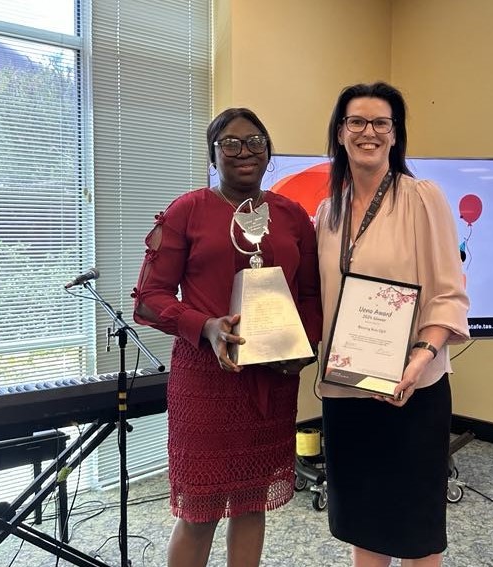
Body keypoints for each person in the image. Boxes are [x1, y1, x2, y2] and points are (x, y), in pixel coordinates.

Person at [132, 107, 322, 567]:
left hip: (271, 382)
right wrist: (206, 326)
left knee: (252, 502)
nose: (244, 152)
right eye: (231, 143)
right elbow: (148, 298)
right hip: (206, 380)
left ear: (268, 151)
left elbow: (312, 294)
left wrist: (306, 345)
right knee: (199, 511)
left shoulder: (293, 216)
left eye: (256, 141)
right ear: (213, 154)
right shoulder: (187, 211)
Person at [315, 82, 470, 567]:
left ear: (395, 134)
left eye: (381, 122)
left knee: (415, 529)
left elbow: (449, 293)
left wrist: (418, 359)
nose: (369, 132)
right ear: (340, 133)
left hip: (412, 389)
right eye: (357, 122)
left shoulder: (422, 198)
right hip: (346, 390)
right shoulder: (328, 211)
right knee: (365, 520)